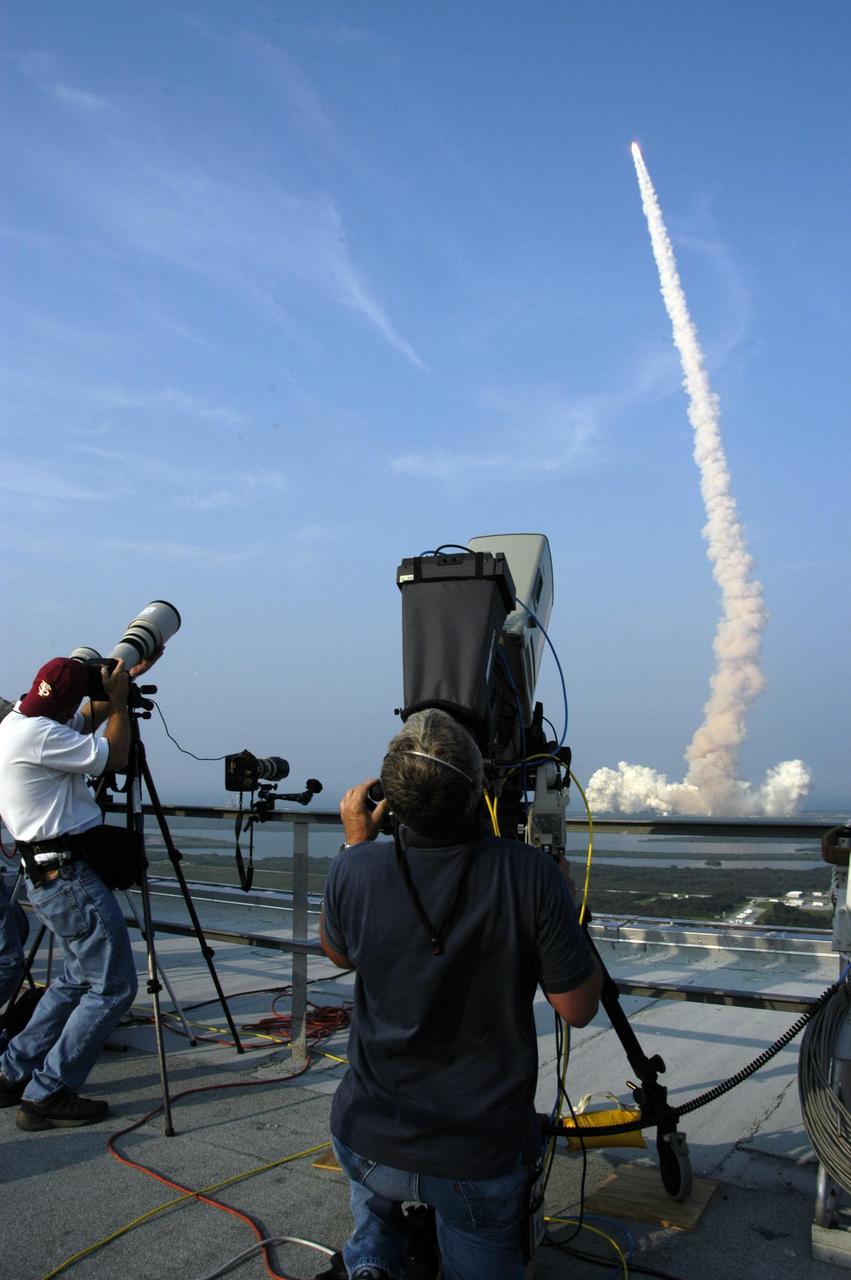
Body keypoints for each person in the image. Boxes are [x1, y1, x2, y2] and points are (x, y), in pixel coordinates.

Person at [320, 708, 603, 1280]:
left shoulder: (356, 868)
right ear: (478, 792)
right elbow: (578, 1008)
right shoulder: (530, 876)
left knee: (375, 1231)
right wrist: (566, 912)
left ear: (389, 796)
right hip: (478, 1156)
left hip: (368, 1138)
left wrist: (355, 846)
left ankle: (373, 1264)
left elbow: (340, 952)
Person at [0, 652, 152, 1131]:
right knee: (113, 986)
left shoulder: (17, 724)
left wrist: (121, 683)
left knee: (73, 978)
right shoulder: (43, 735)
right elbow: (117, 754)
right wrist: (121, 705)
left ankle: (11, 1069)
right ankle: (49, 1090)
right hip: (69, 878)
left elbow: (79, 717)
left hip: (45, 875)